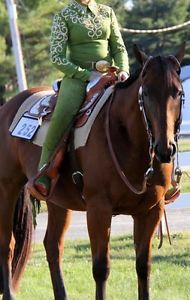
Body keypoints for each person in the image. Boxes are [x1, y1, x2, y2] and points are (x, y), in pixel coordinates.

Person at [27, 0, 130, 200]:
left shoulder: (107, 12)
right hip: (77, 77)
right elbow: (57, 56)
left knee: (140, 105)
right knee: (62, 115)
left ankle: (157, 171)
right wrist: (83, 75)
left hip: (110, 73)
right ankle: (44, 173)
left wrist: (124, 70)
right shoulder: (63, 15)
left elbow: (119, 47)